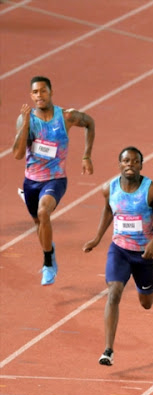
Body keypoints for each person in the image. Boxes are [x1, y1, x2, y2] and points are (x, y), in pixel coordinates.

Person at [83, 147, 153, 366]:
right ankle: (108, 350)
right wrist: (97, 238)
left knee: (146, 303)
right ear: (119, 164)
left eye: (134, 161)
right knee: (113, 293)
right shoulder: (109, 188)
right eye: (125, 161)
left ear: (141, 165)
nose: (130, 164)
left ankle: (144, 290)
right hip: (119, 251)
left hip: (143, 254)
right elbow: (108, 210)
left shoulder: (152, 191)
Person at [12, 75, 95, 285]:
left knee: (43, 212)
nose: (39, 95)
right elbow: (18, 155)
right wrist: (25, 126)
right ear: (31, 95)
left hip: (55, 179)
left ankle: (48, 263)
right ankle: (50, 249)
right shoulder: (25, 119)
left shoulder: (66, 117)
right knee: (40, 224)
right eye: (35, 92)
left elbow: (90, 123)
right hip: (31, 181)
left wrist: (86, 156)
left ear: (51, 92)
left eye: (43, 91)